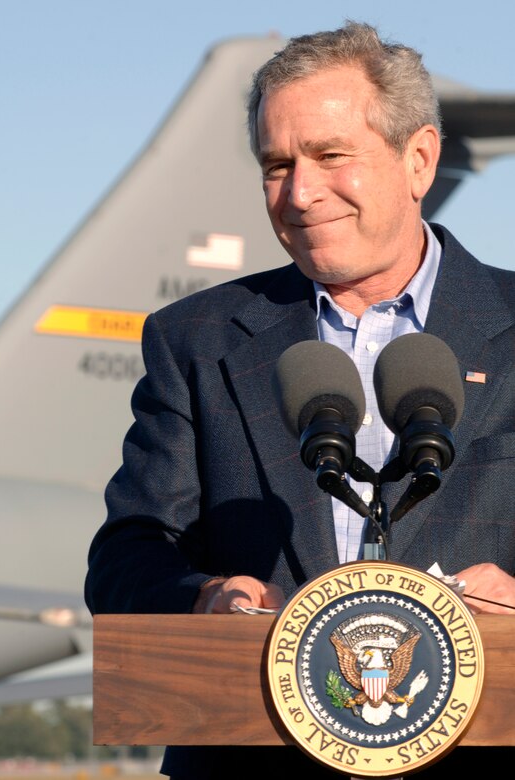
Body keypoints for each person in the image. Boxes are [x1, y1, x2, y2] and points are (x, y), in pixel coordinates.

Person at [85, 21, 515, 778]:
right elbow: (126, 558)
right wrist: (206, 598)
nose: (300, 191)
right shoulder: (197, 339)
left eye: (329, 155)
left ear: (418, 159)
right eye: (276, 164)